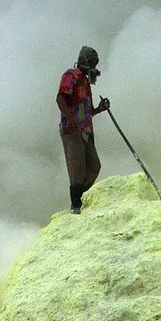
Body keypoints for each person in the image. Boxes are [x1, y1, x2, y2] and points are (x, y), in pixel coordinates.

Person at [56, 46, 110, 213]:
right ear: (85, 61)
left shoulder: (86, 82)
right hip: (72, 130)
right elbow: (60, 99)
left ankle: (82, 197)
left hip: (86, 130)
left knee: (94, 165)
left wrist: (100, 109)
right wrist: (70, 119)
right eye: (93, 62)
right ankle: (76, 205)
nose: (95, 66)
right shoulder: (70, 75)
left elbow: (87, 111)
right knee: (77, 167)